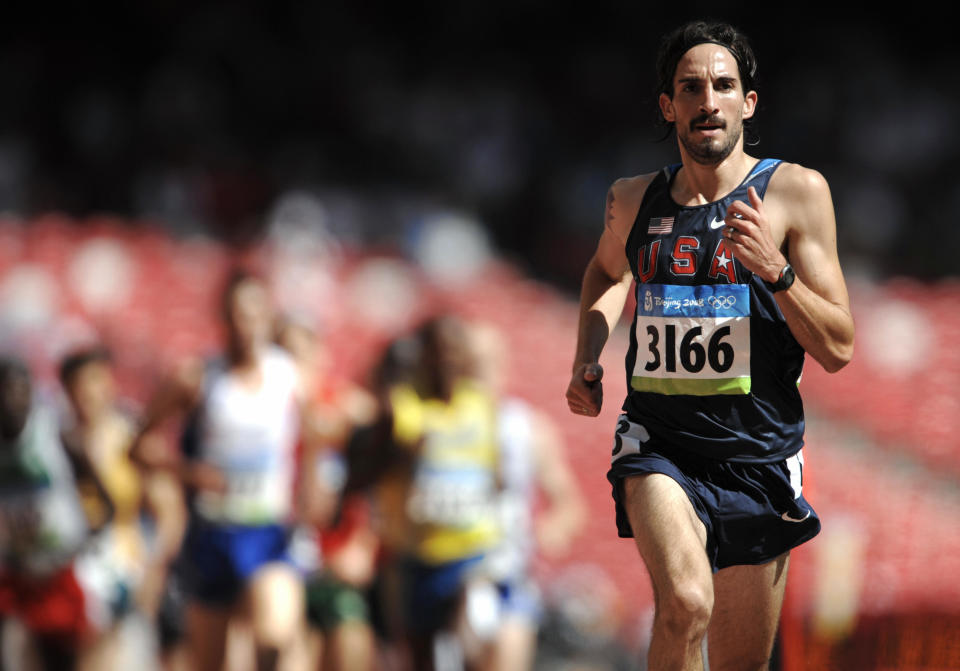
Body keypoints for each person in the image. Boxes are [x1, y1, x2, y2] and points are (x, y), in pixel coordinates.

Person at [565, 20, 854, 671]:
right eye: (690, 88)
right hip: (659, 442)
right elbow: (609, 272)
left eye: (723, 85)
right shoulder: (631, 198)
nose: (707, 101)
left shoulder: (796, 193)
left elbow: (838, 346)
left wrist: (776, 273)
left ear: (748, 103)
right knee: (686, 603)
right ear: (668, 106)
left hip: (759, 456)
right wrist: (588, 351)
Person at [131, 269, 310, 671]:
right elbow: (138, 447)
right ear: (222, 319)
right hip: (212, 535)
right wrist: (191, 473)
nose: (246, 327)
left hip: (268, 530)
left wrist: (311, 490)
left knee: (274, 636)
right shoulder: (198, 379)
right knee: (211, 662)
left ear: (269, 318)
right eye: (237, 316)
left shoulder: (289, 376)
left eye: (255, 315)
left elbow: (316, 435)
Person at [58, 346, 188, 670]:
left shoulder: (131, 438)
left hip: (126, 569)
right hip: (71, 575)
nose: (88, 392)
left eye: (95, 381)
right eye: (79, 384)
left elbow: (170, 512)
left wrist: (154, 569)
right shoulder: (56, 443)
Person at [468, 322, 586, 671]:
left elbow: (568, 504)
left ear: (502, 369)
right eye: (467, 365)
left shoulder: (528, 429)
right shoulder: (431, 424)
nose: (476, 376)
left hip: (507, 575)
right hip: (448, 569)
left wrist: (551, 529)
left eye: (485, 365)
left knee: (509, 646)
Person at [0, 356, 114, 670]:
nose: (11, 400)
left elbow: (105, 503)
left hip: (60, 575)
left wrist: (86, 543)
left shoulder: (56, 437)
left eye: (19, 390)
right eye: (3, 391)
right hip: (13, 575)